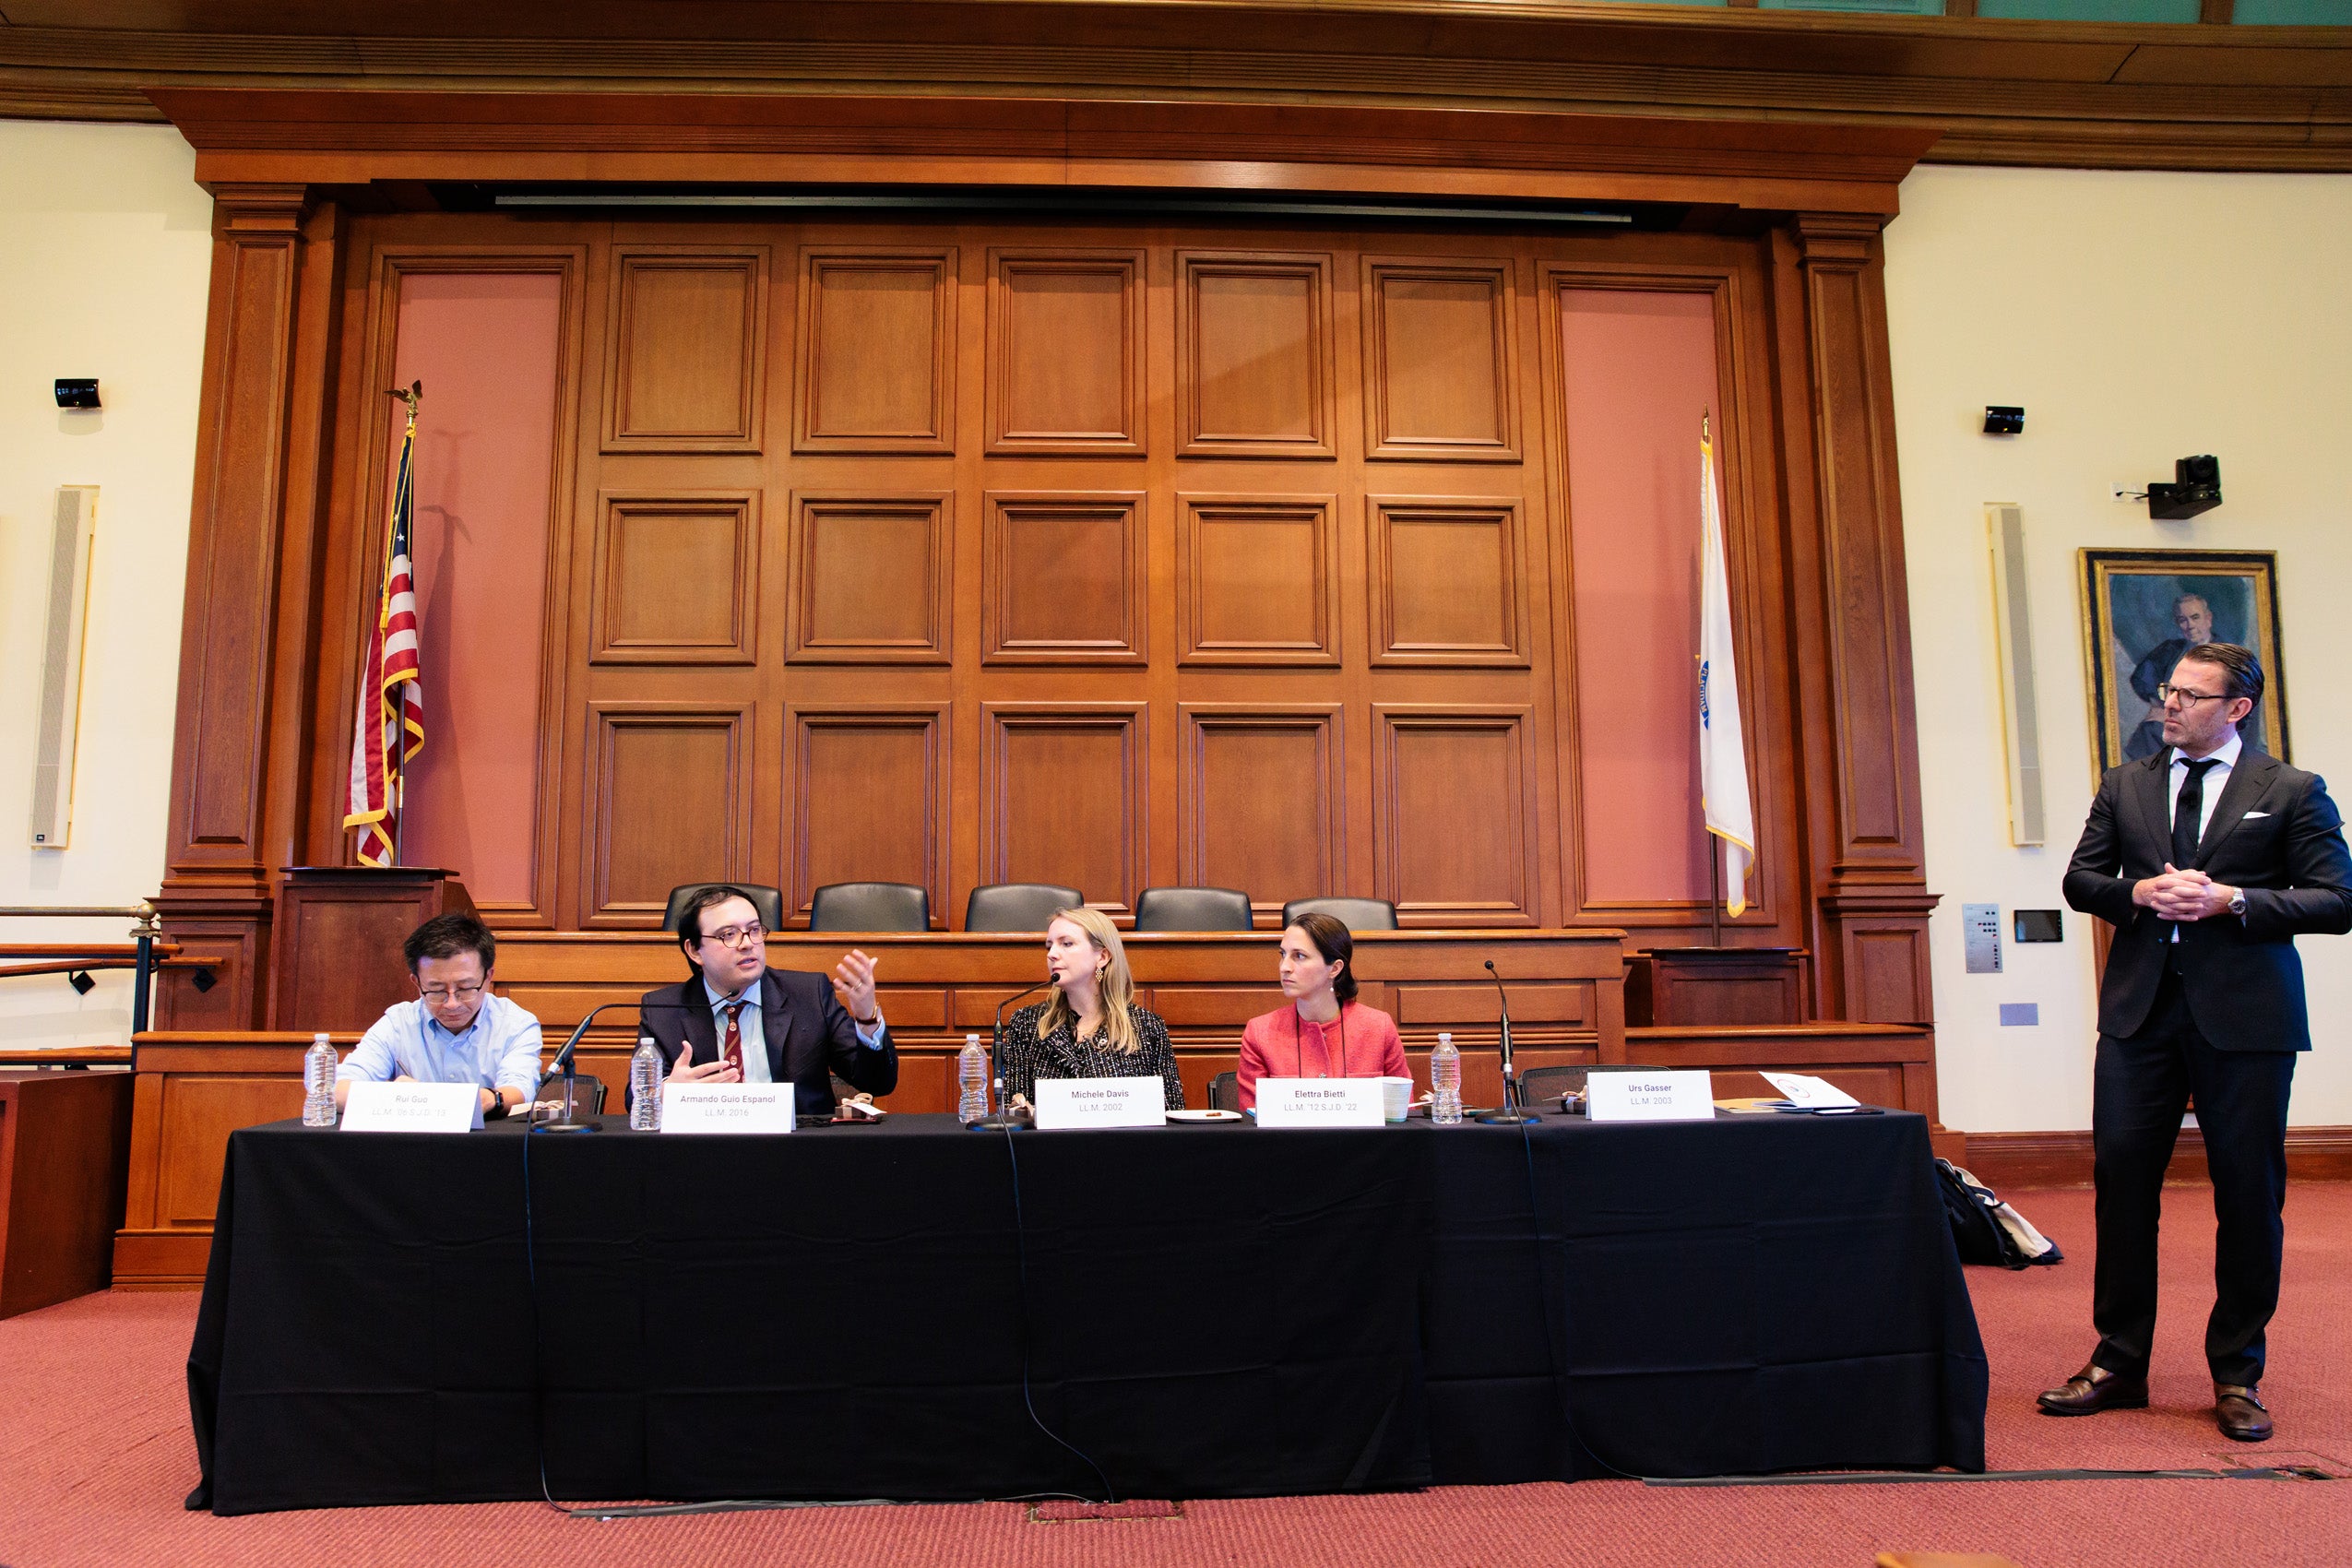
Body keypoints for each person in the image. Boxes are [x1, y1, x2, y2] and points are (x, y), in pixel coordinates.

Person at [2046, 642, 2352, 1443]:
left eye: (2189, 694)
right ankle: (2117, 1362)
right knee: (2121, 1181)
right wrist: (2137, 892)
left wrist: (2234, 902)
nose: (2169, 705)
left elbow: (2336, 899)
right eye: (2168, 692)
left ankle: (2238, 1372)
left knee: (2249, 1194)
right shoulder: (2127, 784)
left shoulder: (2291, 791)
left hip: (2246, 1023)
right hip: (2139, 1018)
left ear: (2236, 709)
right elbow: (2081, 881)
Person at [638, 885, 897, 1122]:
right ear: (695, 950)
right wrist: (667, 1093)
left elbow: (877, 1082)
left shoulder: (808, 995)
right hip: (705, 1155)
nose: (748, 944)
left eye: (753, 930)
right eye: (728, 935)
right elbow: (636, 1100)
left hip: (798, 1154)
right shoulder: (663, 1010)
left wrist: (866, 1019)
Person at [336, 913, 542, 1117]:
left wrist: (487, 1099)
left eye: (465, 988)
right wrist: (392, 1094)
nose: (452, 1004)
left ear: (488, 977)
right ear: (416, 982)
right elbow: (337, 1090)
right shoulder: (398, 1023)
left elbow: (519, 1090)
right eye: (436, 990)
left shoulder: (517, 1024)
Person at [1000, 907, 1183, 1111]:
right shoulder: (1027, 1023)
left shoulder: (1147, 1027)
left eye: (1066, 944)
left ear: (1102, 957)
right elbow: (1012, 1115)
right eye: (1049, 946)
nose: (1052, 954)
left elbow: (1172, 1114)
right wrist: (1022, 1108)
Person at [1236, 912, 1408, 1111]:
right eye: (1283, 954)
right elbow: (1252, 1123)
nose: (1284, 967)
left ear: (1334, 968)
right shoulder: (1260, 1032)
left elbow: (1401, 1114)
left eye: (1299, 956)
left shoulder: (1378, 1027)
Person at [2123, 593, 2216, 761]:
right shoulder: (2172, 650)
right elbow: (2142, 677)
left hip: (2209, 726)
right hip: (2174, 722)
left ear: (2208, 618)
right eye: (2183, 620)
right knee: (2149, 730)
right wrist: (2160, 704)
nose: (2190, 626)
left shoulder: (2226, 655)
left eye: (2195, 618)